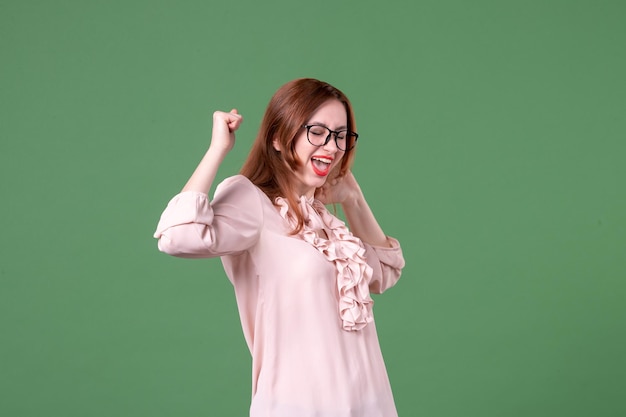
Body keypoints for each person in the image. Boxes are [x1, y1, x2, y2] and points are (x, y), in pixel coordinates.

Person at [153, 78, 405, 416]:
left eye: (341, 135)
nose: (331, 146)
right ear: (278, 136)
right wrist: (217, 150)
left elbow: (385, 273)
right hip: (298, 405)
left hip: (367, 402)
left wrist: (354, 200)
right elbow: (176, 236)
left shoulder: (324, 220)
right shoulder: (251, 201)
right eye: (317, 131)